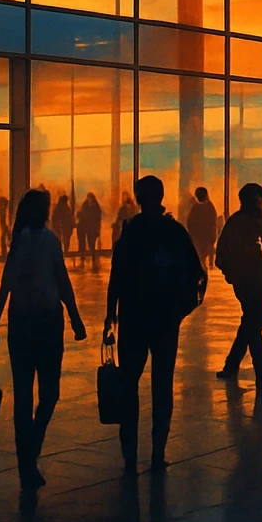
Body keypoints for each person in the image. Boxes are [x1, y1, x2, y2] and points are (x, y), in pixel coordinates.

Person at [0, 189, 87, 491]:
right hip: (47, 320)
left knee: (23, 394)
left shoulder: (18, 242)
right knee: (50, 392)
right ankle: (32, 447)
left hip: (20, 322)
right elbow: (61, 279)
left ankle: (25, 459)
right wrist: (74, 316)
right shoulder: (49, 240)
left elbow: (6, 285)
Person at [105, 175, 205, 473]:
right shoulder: (174, 231)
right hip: (164, 319)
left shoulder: (131, 231)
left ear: (138, 198)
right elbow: (198, 275)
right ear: (161, 197)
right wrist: (179, 310)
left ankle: (129, 454)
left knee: (128, 384)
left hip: (134, 317)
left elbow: (117, 274)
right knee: (162, 384)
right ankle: (158, 451)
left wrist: (111, 312)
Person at [214, 183, 262, 389]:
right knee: (255, 323)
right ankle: (260, 373)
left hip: (241, 280)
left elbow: (222, 251)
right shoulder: (257, 219)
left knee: (250, 321)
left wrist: (230, 273)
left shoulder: (234, 221)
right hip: (256, 277)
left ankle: (231, 365)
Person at [186, 187, 218, 265]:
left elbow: (190, 222)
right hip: (204, 238)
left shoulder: (196, 207)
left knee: (200, 259)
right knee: (202, 259)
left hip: (200, 238)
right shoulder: (209, 207)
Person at [77, 192, 103, 269]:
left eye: (90, 198)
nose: (89, 200)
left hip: (92, 229)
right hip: (85, 228)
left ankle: (93, 257)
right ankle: (83, 257)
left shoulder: (96, 208)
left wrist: (98, 229)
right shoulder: (85, 206)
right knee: (84, 243)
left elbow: (97, 220)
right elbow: (81, 214)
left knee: (91, 243)